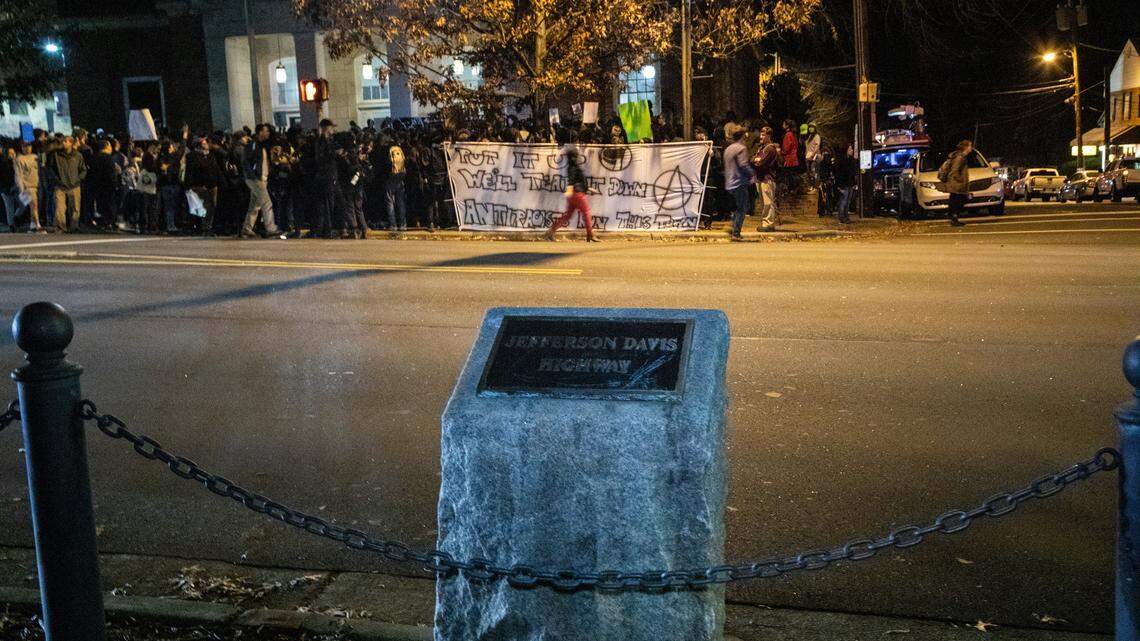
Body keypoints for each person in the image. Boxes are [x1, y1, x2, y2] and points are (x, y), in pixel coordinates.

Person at [544, 130, 598, 242]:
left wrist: (573, 192)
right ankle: (590, 235)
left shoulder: (571, 166)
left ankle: (550, 232)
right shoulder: (575, 167)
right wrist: (585, 189)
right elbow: (574, 180)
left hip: (573, 194)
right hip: (578, 194)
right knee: (586, 212)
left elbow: (573, 181)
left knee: (567, 216)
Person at [240, 123, 285, 239]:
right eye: (266, 131)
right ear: (260, 132)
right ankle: (271, 228)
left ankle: (247, 229)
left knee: (255, 205)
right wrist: (253, 175)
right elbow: (245, 161)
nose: (268, 133)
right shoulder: (253, 145)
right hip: (256, 179)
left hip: (261, 178)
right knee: (267, 203)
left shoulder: (262, 145)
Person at [305, 119, 339, 238]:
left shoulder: (328, 141)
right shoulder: (320, 142)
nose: (332, 130)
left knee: (327, 204)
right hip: (325, 177)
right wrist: (335, 154)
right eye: (331, 127)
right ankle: (326, 230)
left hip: (328, 176)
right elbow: (320, 159)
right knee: (326, 204)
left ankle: (324, 229)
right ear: (325, 128)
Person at [184, 136, 223, 235]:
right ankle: (205, 228)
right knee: (205, 206)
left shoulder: (210, 155)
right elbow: (194, 171)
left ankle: (207, 226)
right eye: (204, 143)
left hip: (212, 185)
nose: (207, 145)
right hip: (199, 185)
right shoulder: (192, 156)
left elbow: (216, 169)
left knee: (212, 206)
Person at [47, 136, 86, 233]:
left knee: (75, 207)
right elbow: (50, 168)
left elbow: (83, 169)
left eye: (65, 141)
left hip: (74, 185)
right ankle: (61, 227)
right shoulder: (56, 154)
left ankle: (74, 227)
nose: (63, 143)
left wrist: (78, 179)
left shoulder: (78, 155)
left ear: (71, 143)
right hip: (60, 185)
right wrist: (56, 180)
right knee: (60, 207)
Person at [723, 129, 754, 239]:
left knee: (735, 208)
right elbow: (743, 165)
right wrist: (752, 174)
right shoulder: (741, 149)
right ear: (742, 136)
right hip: (739, 182)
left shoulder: (728, 149)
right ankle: (736, 233)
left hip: (729, 183)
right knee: (742, 208)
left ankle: (732, 227)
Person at [751, 126, 782, 232]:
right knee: (764, 202)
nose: (761, 136)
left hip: (767, 178)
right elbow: (752, 159)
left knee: (768, 202)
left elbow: (760, 163)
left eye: (763, 135)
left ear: (769, 135)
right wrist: (755, 159)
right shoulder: (761, 148)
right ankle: (766, 223)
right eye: (761, 134)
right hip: (760, 178)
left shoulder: (770, 148)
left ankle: (769, 224)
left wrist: (756, 160)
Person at [88, 140, 121, 231]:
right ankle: (110, 222)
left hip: (97, 185)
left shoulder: (94, 157)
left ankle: (103, 222)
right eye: (109, 146)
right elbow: (111, 173)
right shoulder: (108, 158)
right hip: (108, 185)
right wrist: (115, 184)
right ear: (106, 146)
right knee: (110, 204)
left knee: (101, 204)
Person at [939, 139, 972, 227]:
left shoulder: (961, 156)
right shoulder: (960, 157)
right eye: (969, 146)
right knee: (959, 200)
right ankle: (953, 217)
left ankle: (953, 217)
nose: (971, 148)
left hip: (956, 183)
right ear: (965, 147)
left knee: (955, 200)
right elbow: (955, 170)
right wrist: (960, 180)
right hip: (957, 184)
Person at [14, 141, 44, 232]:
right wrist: (21, 188)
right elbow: (18, 175)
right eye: (24, 146)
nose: (27, 148)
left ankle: (32, 224)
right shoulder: (19, 159)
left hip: (37, 185)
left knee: (34, 206)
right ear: (21, 147)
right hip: (28, 186)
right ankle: (37, 224)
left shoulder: (36, 157)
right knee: (33, 205)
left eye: (29, 146)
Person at [833, 144, 857, 224]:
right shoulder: (841, 161)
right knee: (843, 201)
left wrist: (854, 183)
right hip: (844, 184)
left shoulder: (851, 160)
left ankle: (846, 216)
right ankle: (842, 217)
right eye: (850, 149)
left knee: (847, 201)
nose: (852, 151)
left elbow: (852, 172)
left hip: (850, 184)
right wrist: (839, 186)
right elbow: (838, 174)